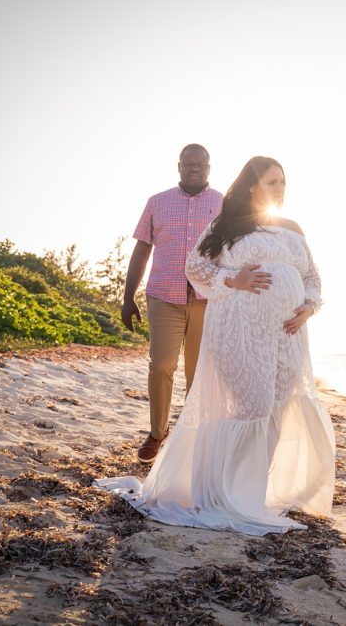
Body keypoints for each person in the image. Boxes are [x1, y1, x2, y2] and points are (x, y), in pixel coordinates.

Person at [97, 156, 334, 534]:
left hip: (287, 336)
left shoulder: (292, 227)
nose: (280, 189)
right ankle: (225, 494)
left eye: (283, 182)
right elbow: (196, 268)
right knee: (252, 405)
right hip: (238, 331)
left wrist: (309, 305)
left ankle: (252, 493)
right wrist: (233, 280)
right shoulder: (226, 226)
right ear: (252, 185)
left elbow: (312, 277)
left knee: (277, 408)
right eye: (272, 182)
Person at [121, 143, 223, 464]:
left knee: (198, 372)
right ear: (178, 166)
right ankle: (157, 432)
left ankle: (191, 436)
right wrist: (128, 297)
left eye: (200, 165)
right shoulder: (157, 203)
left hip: (208, 299)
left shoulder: (224, 205)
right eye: (188, 164)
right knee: (162, 365)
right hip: (164, 295)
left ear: (209, 168)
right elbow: (141, 251)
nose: (194, 169)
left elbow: (237, 252)